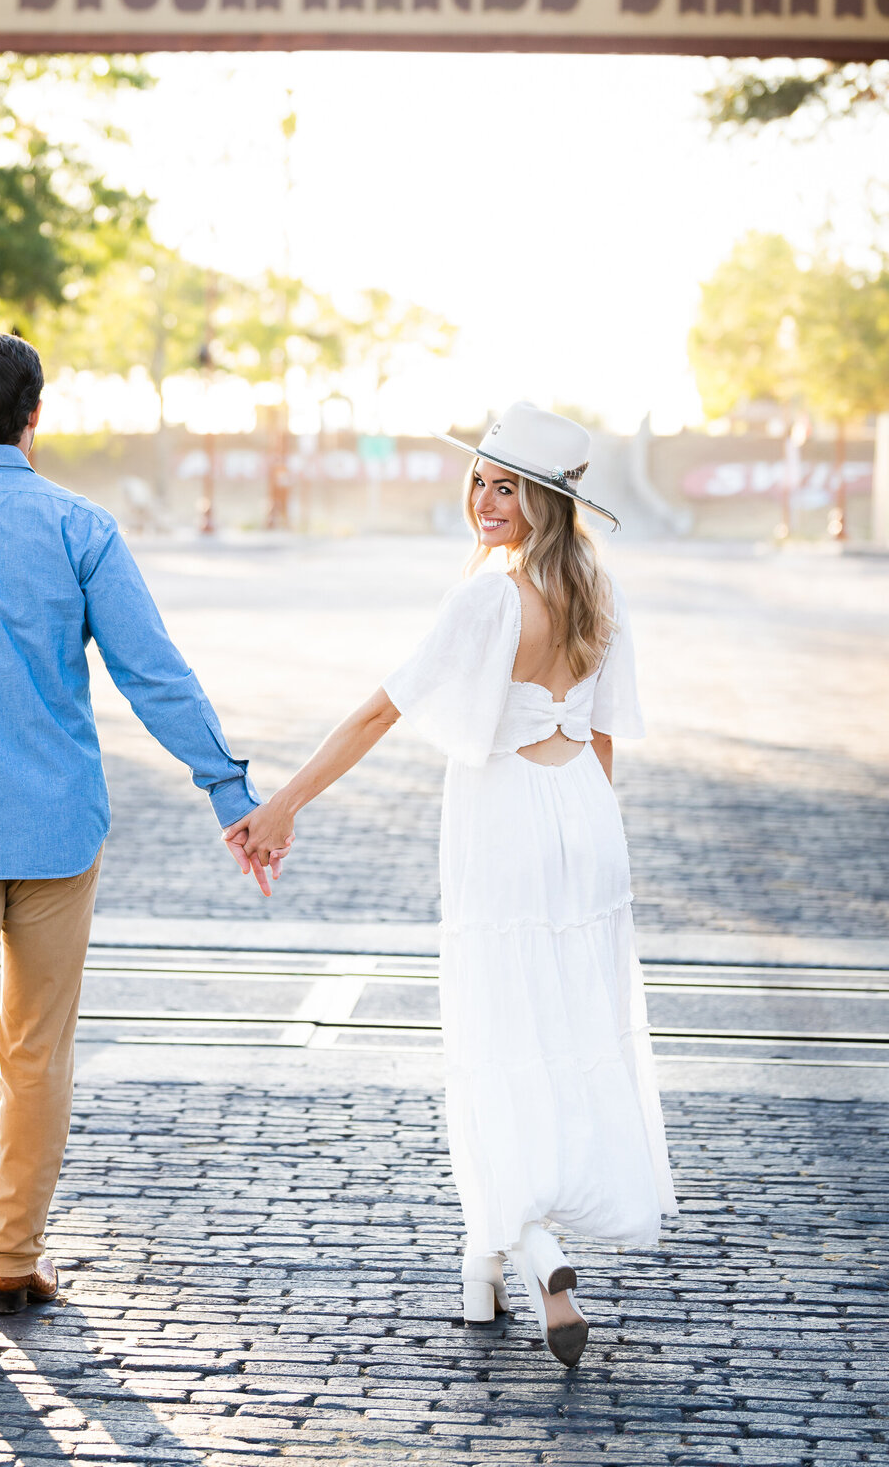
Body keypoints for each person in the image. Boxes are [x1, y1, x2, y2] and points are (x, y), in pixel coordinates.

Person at [0, 331, 276, 1353]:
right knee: (36, 1049)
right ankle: (10, 1255)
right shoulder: (80, 527)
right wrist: (230, 789)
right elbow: (153, 672)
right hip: (55, 834)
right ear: (35, 416)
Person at [229, 402, 676, 1367]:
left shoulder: (489, 599)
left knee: (493, 1035)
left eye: (506, 486)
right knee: (559, 1032)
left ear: (544, 503)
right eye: (479, 478)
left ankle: (539, 1250)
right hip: (585, 818)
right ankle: (485, 1269)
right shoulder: (600, 589)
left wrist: (285, 804)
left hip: (508, 817)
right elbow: (601, 735)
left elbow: (379, 712)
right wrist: (587, 835)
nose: (484, 498)